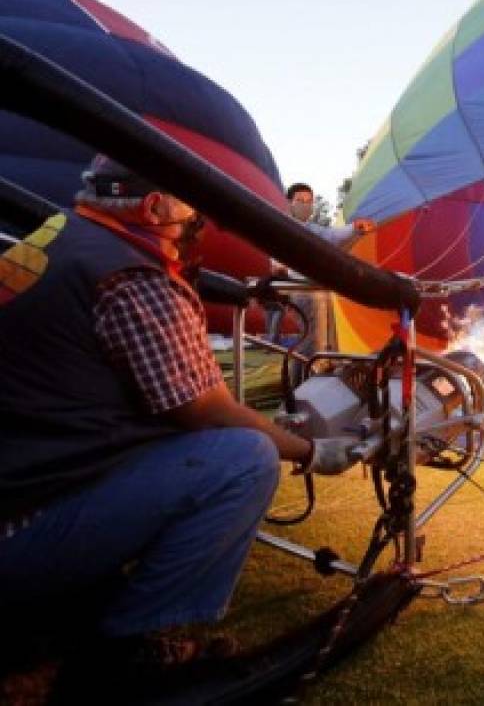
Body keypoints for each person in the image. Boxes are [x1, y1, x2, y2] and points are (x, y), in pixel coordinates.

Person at [0, 157, 360, 673]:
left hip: (24, 478)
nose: (195, 226)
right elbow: (208, 411)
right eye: (189, 210)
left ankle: (83, 600)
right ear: (152, 206)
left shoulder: (60, 234)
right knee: (244, 457)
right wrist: (312, 451)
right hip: (22, 528)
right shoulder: (131, 278)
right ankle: (133, 644)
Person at [267, 182, 375, 354]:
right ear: (289, 203)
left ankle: (307, 373)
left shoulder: (312, 229)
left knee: (318, 340)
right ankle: (305, 376)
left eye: (309, 201)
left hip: (317, 291)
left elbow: (332, 236)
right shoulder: (280, 227)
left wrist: (355, 229)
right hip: (301, 291)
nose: (305, 205)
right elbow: (275, 263)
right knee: (311, 342)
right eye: (300, 200)